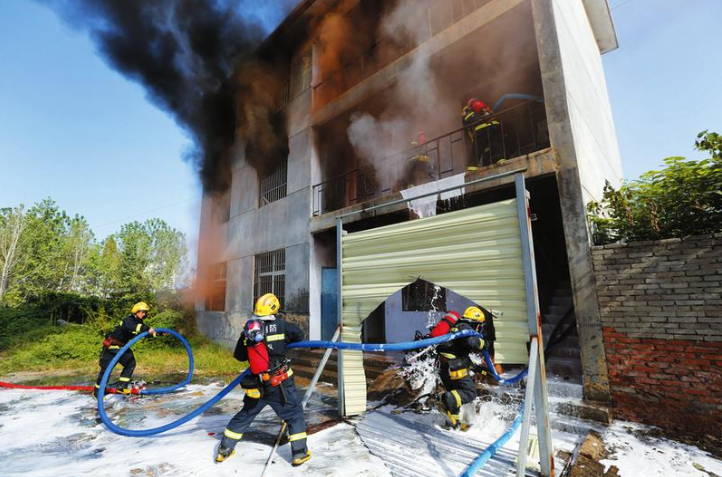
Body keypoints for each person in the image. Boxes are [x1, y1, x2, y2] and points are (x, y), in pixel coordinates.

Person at [215, 293, 311, 466]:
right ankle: (299, 453)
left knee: (246, 414)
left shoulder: (250, 329)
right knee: (294, 415)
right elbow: (299, 335)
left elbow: (239, 356)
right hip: (279, 383)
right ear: (275, 309)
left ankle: (224, 449)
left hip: (256, 384)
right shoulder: (282, 325)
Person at [434, 305, 493, 430]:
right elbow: (471, 342)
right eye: (480, 326)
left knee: (456, 394)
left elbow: (460, 352)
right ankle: (445, 400)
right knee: (469, 393)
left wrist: (476, 368)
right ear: (476, 323)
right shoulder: (465, 328)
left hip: (445, 367)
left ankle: (453, 423)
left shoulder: (457, 327)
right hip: (455, 368)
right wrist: (485, 343)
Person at [93, 301, 156, 398]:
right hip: (111, 346)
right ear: (136, 311)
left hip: (122, 347)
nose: (144, 314)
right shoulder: (129, 320)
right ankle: (97, 393)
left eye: (145, 312)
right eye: (142, 312)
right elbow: (134, 327)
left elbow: (143, 333)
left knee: (130, 363)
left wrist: (158, 333)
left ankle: (121, 386)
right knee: (106, 370)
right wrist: (147, 328)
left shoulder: (139, 323)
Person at [461, 98, 503, 169]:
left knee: (477, 149)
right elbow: (492, 115)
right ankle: (500, 159)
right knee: (496, 144)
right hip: (492, 127)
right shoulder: (484, 108)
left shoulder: (468, 114)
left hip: (480, 130)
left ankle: (472, 167)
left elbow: (466, 126)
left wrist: (471, 137)